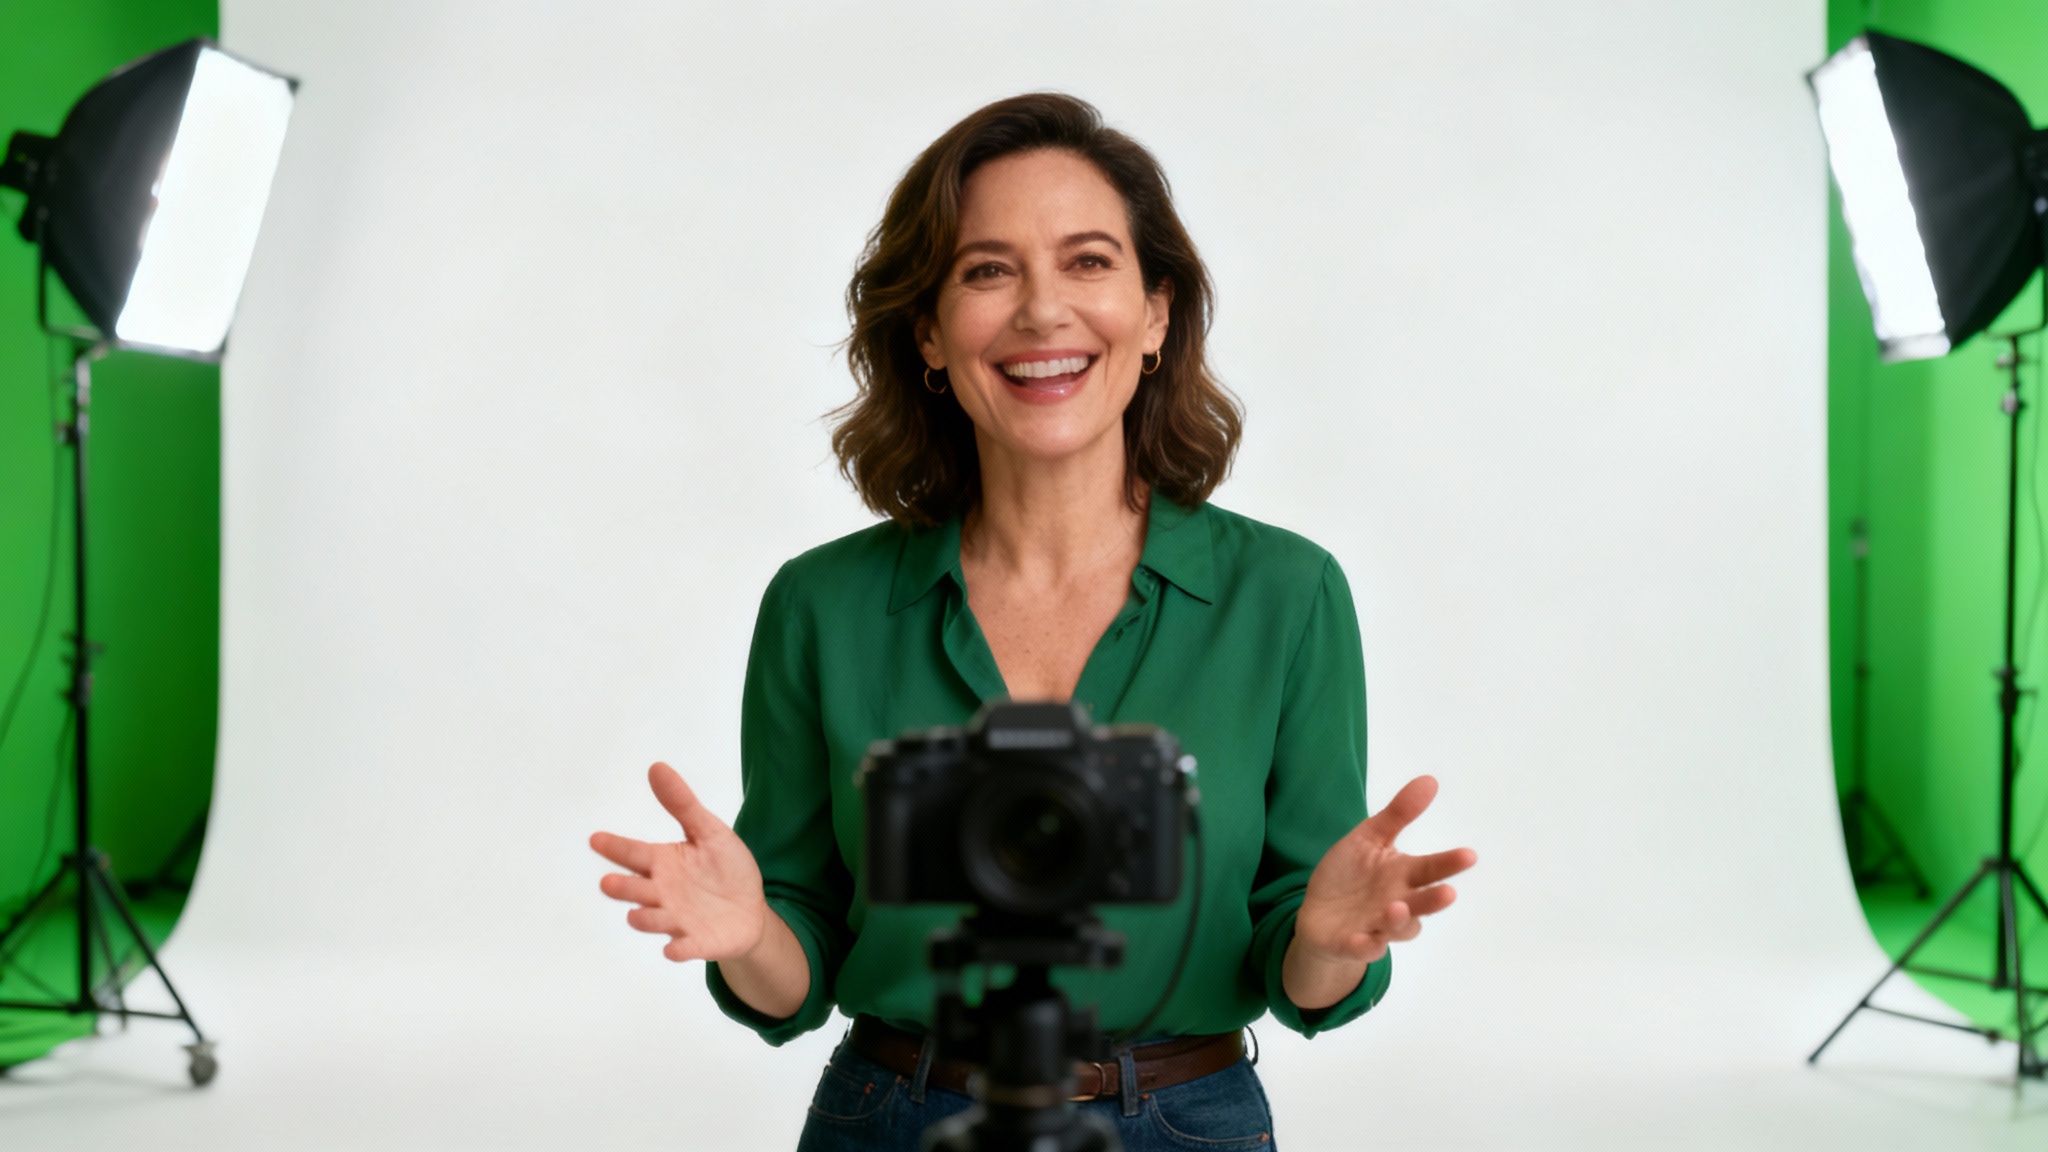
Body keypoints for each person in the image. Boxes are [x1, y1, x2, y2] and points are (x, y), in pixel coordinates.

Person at [589, 93, 1477, 1151]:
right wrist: (748, 935)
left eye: (1088, 262)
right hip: (892, 1118)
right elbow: (796, 964)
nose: (1040, 311)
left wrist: (1328, 941)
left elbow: (1304, 950)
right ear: (927, 330)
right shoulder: (819, 606)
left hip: (1182, 1124)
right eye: (986, 270)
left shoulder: (1285, 596)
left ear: (1155, 313)